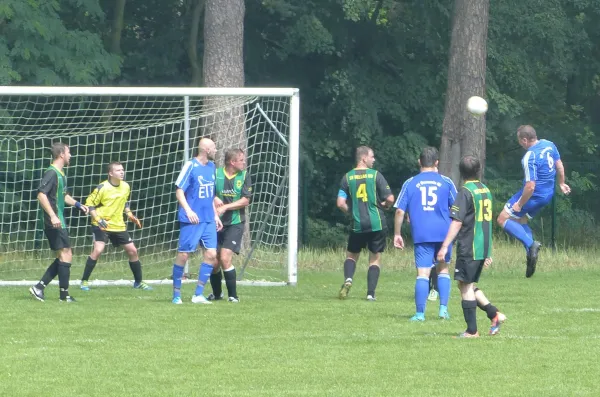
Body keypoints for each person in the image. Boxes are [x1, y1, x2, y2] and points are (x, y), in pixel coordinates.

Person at [437, 155, 505, 337]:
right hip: (482, 246)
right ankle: (494, 314)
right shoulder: (485, 190)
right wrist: (488, 250)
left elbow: (457, 222)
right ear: (479, 170)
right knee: (465, 283)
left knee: (465, 287)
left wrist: (444, 246)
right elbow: (486, 221)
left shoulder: (465, 192)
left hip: (469, 246)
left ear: (461, 172)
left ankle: (472, 331)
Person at [497, 125, 571, 277]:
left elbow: (530, 186)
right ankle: (531, 257)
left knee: (502, 218)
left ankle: (531, 246)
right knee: (521, 221)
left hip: (533, 195)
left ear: (524, 140)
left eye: (519, 140)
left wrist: (519, 204)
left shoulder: (529, 156)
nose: (519, 143)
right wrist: (561, 183)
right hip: (547, 195)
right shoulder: (549, 144)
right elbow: (559, 165)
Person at [393, 147, 457, 321]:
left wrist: (397, 233)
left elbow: (399, 211)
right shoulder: (446, 182)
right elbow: (456, 207)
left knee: (423, 274)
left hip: (422, 233)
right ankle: (443, 310)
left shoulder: (410, 182)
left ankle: (420, 314)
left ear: (419, 162)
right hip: (444, 232)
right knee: (443, 270)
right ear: (437, 163)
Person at [29, 142, 89, 302]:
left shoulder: (61, 174)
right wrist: (53, 216)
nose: (70, 155)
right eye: (69, 152)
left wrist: (78, 204)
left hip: (58, 219)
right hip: (53, 220)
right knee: (66, 253)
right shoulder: (51, 173)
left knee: (64, 255)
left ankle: (41, 288)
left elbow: (63, 196)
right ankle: (61, 294)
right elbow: (41, 194)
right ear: (61, 154)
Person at [80, 161, 151, 291]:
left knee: (133, 251)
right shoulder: (102, 187)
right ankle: (84, 281)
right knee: (98, 250)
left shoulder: (125, 186)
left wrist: (130, 214)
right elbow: (89, 204)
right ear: (110, 173)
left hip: (118, 225)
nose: (122, 172)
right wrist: (98, 219)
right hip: (101, 224)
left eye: (122, 170)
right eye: (118, 170)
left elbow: (125, 203)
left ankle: (138, 282)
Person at [337, 146, 394, 301]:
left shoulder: (347, 177)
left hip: (358, 223)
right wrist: (386, 206)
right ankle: (370, 294)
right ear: (364, 158)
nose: (373, 159)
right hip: (376, 223)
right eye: (372, 156)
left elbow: (340, 203)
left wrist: (352, 211)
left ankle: (348, 279)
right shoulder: (375, 175)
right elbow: (390, 199)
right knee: (374, 258)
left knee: (352, 255)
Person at [171, 137, 223, 304]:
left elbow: (210, 195)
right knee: (184, 255)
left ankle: (198, 294)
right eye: (214, 148)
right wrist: (188, 210)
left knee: (211, 254)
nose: (216, 150)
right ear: (206, 150)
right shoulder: (190, 166)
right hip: (192, 219)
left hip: (208, 219)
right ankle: (176, 295)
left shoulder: (212, 167)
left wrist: (215, 215)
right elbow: (179, 191)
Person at [207, 148, 252, 303]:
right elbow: (206, 192)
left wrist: (225, 207)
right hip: (216, 223)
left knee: (225, 257)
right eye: (241, 160)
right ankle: (217, 294)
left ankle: (233, 296)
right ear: (232, 162)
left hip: (235, 223)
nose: (244, 162)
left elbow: (246, 200)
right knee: (214, 261)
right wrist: (214, 198)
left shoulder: (244, 176)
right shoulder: (216, 174)